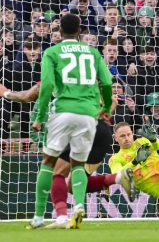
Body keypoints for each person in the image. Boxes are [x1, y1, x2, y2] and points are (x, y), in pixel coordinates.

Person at [0, 82, 136, 229]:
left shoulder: (57, 73)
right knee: (73, 184)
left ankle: (61, 217)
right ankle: (117, 177)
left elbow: (27, 96)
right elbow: (113, 101)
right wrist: (99, 115)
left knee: (55, 172)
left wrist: (6, 93)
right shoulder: (91, 71)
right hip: (103, 133)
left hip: (79, 128)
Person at [31, 13, 112, 229]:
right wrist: (105, 108)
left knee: (49, 163)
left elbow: (46, 86)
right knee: (77, 164)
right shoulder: (93, 52)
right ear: (79, 31)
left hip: (62, 111)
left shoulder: (52, 52)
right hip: (88, 114)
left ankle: (39, 217)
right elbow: (106, 82)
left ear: (59, 32)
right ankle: (78, 205)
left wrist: (39, 117)